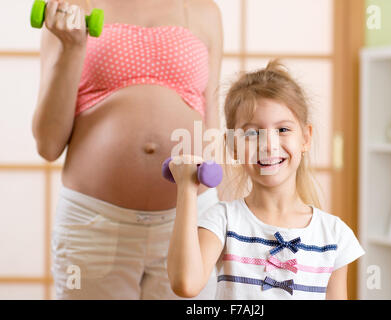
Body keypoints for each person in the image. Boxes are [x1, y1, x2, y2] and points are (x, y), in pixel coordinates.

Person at [31, 0, 223, 299]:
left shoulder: (203, 10)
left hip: (191, 220)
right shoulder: (69, 10)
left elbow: (211, 121)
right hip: (94, 223)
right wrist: (72, 48)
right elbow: (48, 145)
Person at [166, 60, 365, 300]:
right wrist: (187, 189)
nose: (268, 145)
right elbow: (185, 284)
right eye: (252, 133)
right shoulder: (224, 220)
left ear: (305, 138)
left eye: (283, 130)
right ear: (233, 146)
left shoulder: (334, 235)